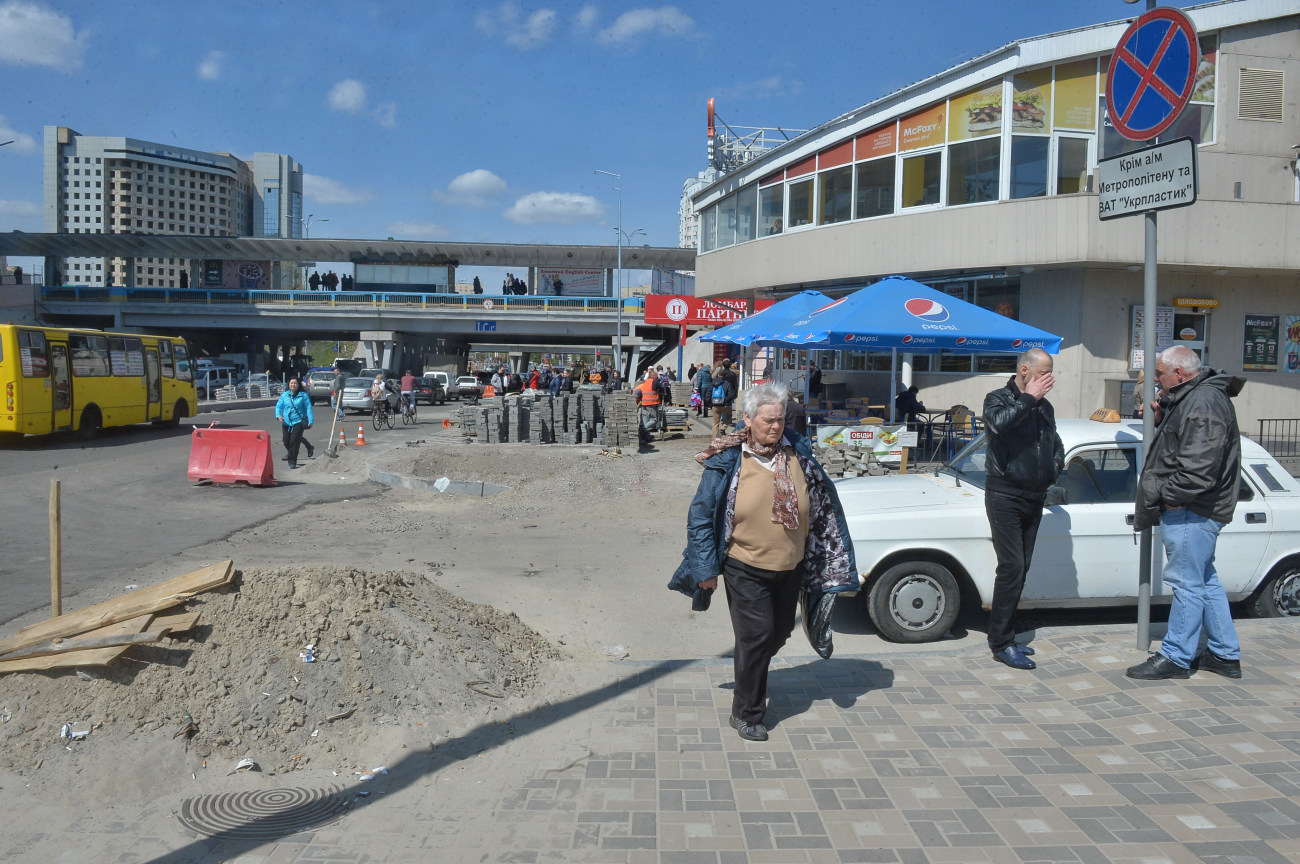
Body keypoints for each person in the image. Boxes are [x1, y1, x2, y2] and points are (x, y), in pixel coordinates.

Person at [668, 382, 856, 742]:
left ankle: (749, 668)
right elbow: (701, 516)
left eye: (781, 420)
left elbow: (820, 503)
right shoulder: (728, 459)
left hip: (791, 565)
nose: (775, 427)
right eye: (768, 420)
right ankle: (747, 712)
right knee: (756, 635)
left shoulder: (796, 452)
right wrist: (705, 570)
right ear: (749, 419)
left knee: (778, 632)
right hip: (744, 564)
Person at [1127, 346, 1245, 681]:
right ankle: (1224, 654)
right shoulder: (1196, 398)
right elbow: (1188, 447)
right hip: (1197, 507)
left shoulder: (1203, 402)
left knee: (1187, 583)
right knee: (1203, 581)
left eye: (1160, 373)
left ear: (1179, 373)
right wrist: (1166, 413)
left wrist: (1171, 498)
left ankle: (1177, 657)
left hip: (1194, 508)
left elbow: (1198, 469)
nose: (1156, 380)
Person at [981, 347, 1064, 670]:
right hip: (1005, 495)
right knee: (1012, 567)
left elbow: (1055, 444)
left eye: (1051, 372)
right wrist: (1028, 398)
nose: (1049, 379)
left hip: (1034, 496)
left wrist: (1054, 468)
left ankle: (1008, 634)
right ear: (1025, 371)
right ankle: (1000, 642)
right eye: (1044, 373)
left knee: (1022, 568)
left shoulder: (1046, 408)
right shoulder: (998, 398)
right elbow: (999, 425)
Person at [275, 377, 315, 469]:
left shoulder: (303, 396)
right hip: (286, 422)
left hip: (298, 422)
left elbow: (308, 408)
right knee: (286, 441)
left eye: (295, 383)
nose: (293, 385)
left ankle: (292, 461)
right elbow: (279, 406)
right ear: (289, 385)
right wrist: (278, 415)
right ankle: (291, 453)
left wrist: (311, 421)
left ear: (298, 385)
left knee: (294, 442)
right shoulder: (285, 395)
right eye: (291, 383)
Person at [634, 368, 663, 447]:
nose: (657, 378)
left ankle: (646, 437)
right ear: (654, 376)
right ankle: (642, 429)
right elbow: (661, 388)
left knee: (645, 420)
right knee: (654, 419)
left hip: (644, 404)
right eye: (657, 376)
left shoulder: (646, 383)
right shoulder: (655, 381)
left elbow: (638, 392)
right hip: (651, 403)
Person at [711, 360, 738, 440]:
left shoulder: (714, 383)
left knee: (715, 422)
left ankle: (714, 439)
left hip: (715, 403)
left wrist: (710, 403)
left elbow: (709, 393)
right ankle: (723, 428)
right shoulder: (732, 374)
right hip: (726, 402)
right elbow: (734, 388)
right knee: (729, 416)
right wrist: (731, 398)